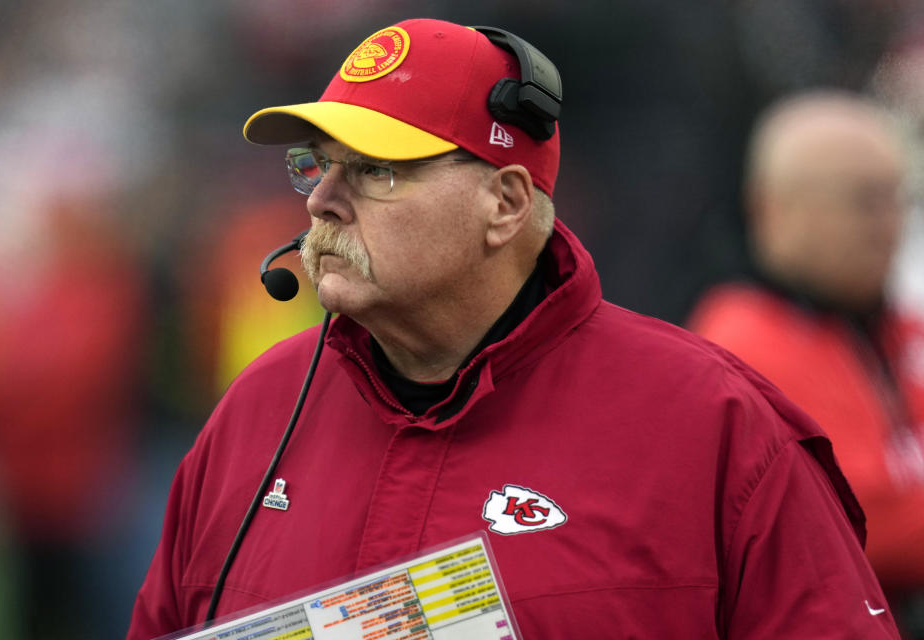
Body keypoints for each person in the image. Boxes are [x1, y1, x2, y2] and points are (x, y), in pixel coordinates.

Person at [128, 20, 899, 639]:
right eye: (315, 165)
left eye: (375, 170)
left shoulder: (714, 422)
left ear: (503, 203)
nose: (321, 199)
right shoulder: (254, 414)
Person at [688, 90, 924, 634]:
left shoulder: (889, 325)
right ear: (774, 208)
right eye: (864, 201)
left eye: (898, 199)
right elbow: (861, 520)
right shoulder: (742, 344)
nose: (888, 225)